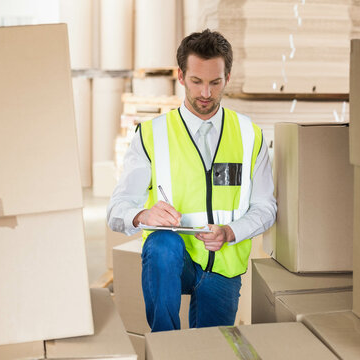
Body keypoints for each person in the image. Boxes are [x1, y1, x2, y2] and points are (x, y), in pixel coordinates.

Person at [107, 29, 276, 331]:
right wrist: (143, 214)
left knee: (210, 351)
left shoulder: (250, 135)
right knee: (161, 244)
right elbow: (117, 209)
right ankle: (165, 343)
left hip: (224, 267)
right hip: (175, 261)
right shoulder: (151, 135)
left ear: (228, 77)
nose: (206, 94)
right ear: (181, 76)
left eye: (215, 82)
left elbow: (265, 207)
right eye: (197, 82)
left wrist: (230, 232)